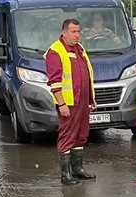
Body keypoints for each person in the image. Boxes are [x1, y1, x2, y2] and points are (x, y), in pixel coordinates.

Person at [45, 19, 97, 185]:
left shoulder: (79, 49)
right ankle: (65, 175)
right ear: (64, 32)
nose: (77, 35)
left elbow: (86, 76)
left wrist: (90, 99)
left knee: (81, 136)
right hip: (69, 103)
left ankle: (77, 169)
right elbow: (55, 82)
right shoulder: (56, 51)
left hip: (82, 102)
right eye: (73, 32)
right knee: (67, 136)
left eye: (78, 31)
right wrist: (61, 104)